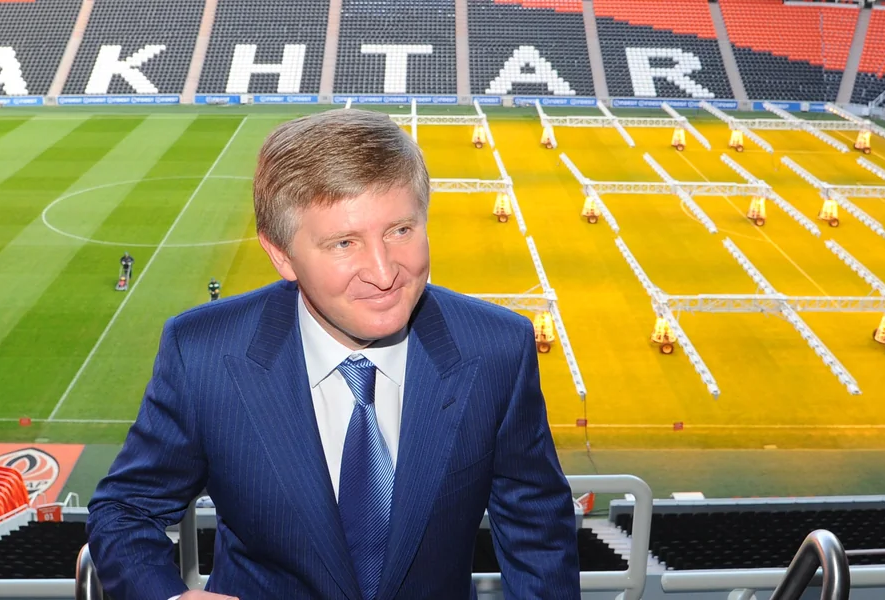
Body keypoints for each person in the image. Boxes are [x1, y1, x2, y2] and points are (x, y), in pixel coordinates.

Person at [87, 109, 579, 600]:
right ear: (281, 255)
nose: (384, 273)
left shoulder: (497, 349)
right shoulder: (203, 355)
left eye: (401, 230)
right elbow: (125, 510)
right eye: (345, 243)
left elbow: (537, 531)